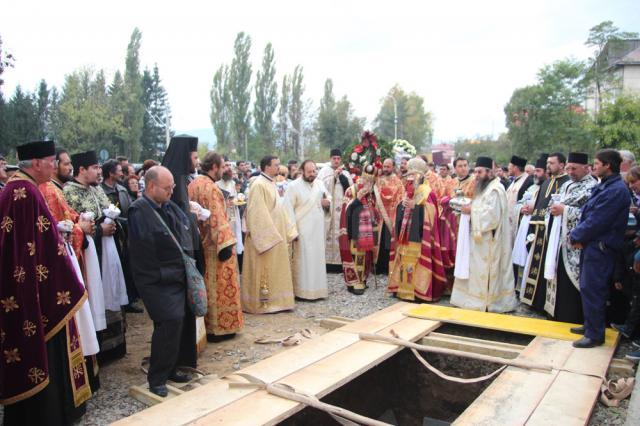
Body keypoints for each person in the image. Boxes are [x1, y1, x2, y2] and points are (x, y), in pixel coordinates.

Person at [1, 141, 91, 425]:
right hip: (33, 292)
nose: (54, 166)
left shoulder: (18, 188)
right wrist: (66, 277)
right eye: (51, 161)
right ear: (37, 163)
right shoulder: (25, 192)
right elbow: (41, 248)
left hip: (24, 287)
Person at [128, 166, 198, 396]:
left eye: (172, 187)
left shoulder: (165, 205)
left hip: (174, 277)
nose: (171, 192)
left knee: (176, 324)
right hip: (156, 280)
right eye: (167, 188)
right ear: (151, 187)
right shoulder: (139, 211)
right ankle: (156, 378)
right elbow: (144, 253)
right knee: (169, 322)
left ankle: (170, 369)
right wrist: (166, 274)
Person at [64, 150, 128, 361]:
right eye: (95, 168)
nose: (99, 172)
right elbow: (76, 228)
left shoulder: (97, 189)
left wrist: (112, 223)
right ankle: (98, 350)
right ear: (82, 170)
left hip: (108, 251)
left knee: (112, 290)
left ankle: (115, 347)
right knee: (96, 296)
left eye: (100, 167)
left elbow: (108, 211)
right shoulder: (69, 192)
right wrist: (101, 230)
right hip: (91, 256)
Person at [570, 149, 631, 348]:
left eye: (597, 163)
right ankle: (591, 326)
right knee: (588, 287)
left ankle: (595, 335)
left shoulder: (616, 190)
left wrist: (576, 235)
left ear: (607, 165)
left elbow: (598, 220)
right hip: (594, 244)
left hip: (601, 246)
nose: (593, 166)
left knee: (594, 288)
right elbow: (588, 212)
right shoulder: (605, 185)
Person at [188, 152, 244, 342]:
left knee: (207, 287)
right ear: (213, 167)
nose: (224, 170)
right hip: (216, 246)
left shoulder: (193, 184)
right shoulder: (211, 188)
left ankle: (208, 326)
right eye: (222, 166)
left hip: (201, 244)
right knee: (220, 288)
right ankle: (220, 327)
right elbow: (217, 218)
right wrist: (226, 245)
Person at [451, 156, 518, 312]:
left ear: (489, 172)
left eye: (480, 172)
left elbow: (491, 218)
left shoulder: (495, 189)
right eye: (476, 172)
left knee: (485, 272)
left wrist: (470, 210)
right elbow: (480, 207)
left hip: (490, 241)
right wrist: (470, 207)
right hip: (480, 239)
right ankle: (473, 300)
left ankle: (486, 302)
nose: (476, 175)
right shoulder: (484, 187)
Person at [544, 153, 597, 323]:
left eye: (574, 168)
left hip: (576, 244)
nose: (571, 172)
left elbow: (591, 216)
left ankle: (573, 317)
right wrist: (554, 209)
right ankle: (558, 314)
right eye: (568, 168)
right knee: (559, 277)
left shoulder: (591, 186)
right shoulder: (567, 184)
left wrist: (564, 210)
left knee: (573, 281)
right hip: (559, 240)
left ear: (586, 168)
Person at [242, 155, 298, 313]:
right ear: (266, 167)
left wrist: (289, 230)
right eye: (276, 165)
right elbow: (257, 213)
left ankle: (279, 301)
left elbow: (279, 209)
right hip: (267, 238)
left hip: (276, 233)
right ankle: (263, 304)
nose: (279, 168)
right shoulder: (259, 184)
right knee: (265, 271)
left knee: (276, 270)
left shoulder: (270, 183)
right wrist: (268, 238)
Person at [388, 158, 447, 302]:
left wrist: (416, 206)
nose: (411, 177)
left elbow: (432, 214)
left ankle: (418, 292)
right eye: (409, 174)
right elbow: (399, 209)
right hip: (406, 234)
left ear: (421, 175)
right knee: (404, 260)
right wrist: (402, 206)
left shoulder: (428, 192)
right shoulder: (407, 190)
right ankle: (403, 289)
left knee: (417, 262)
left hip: (420, 236)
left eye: (413, 174)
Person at [521, 153, 570, 310]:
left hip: (552, 233)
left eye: (552, 163)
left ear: (562, 165)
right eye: (548, 163)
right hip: (538, 229)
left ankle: (545, 302)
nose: (548, 165)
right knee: (536, 265)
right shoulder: (547, 182)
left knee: (548, 267)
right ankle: (535, 301)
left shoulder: (567, 183)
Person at [284, 160, 331, 300]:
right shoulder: (293, 186)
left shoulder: (320, 184)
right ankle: (302, 292)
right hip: (302, 230)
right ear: (302, 171)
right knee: (304, 261)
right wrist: (292, 231)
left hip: (317, 230)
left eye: (314, 171)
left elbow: (328, 197)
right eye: (309, 172)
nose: (312, 174)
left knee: (316, 259)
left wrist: (327, 203)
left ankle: (318, 290)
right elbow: (287, 209)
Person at [101, 159, 141, 313]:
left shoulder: (122, 189)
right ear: (111, 173)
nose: (121, 173)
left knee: (127, 266)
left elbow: (129, 208)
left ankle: (129, 300)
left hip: (126, 235)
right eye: (118, 170)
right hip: (112, 236)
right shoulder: (102, 192)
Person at [339, 170, 380, 295]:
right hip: (354, 230)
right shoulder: (351, 191)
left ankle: (362, 279)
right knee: (355, 255)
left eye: (371, 181)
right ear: (361, 178)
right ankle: (353, 282)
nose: (368, 184)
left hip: (366, 231)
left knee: (365, 256)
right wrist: (358, 199)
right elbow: (347, 211)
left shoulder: (371, 193)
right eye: (366, 180)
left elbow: (373, 209)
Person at [513, 157, 548, 293]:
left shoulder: (547, 188)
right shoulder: (532, 187)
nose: (535, 174)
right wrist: (521, 209)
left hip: (537, 230)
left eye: (538, 171)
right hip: (525, 227)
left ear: (545, 172)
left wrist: (534, 210)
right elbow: (519, 203)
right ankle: (520, 289)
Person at [318, 148, 353, 271]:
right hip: (327, 211)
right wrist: (333, 177)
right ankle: (326, 263)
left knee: (340, 234)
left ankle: (339, 263)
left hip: (341, 211)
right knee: (326, 234)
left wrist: (342, 178)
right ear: (330, 159)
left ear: (341, 159)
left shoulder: (346, 174)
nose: (336, 161)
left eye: (338, 159)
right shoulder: (323, 172)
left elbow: (350, 191)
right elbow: (320, 189)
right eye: (334, 158)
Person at [373, 158, 404, 275]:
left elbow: (399, 199)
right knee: (378, 241)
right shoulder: (379, 180)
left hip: (391, 216)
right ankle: (377, 265)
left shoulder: (398, 182)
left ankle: (387, 267)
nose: (385, 169)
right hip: (379, 216)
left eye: (388, 167)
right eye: (384, 166)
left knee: (387, 241)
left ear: (393, 167)